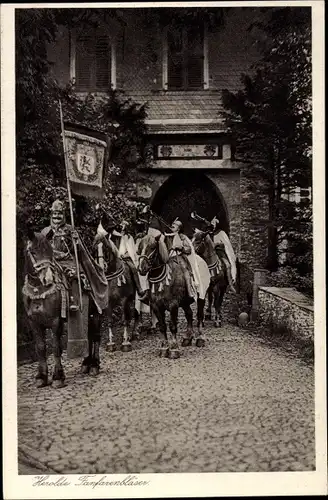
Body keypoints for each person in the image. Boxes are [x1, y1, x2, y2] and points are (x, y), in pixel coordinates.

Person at [41, 199, 108, 314]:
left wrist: (75, 241)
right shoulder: (45, 231)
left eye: (60, 214)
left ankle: (72, 300)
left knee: (72, 275)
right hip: (51, 261)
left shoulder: (70, 229)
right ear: (51, 215)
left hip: (67, 261)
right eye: (55, 214)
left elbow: (77, 250)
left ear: (64, 215)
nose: (57, 216)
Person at [98, 212, 149, 304]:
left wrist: (124, 255)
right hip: (113, 258)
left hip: (125, 258)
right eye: (122, 225)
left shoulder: (128, 237)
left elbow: (131, 250)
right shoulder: (113, 236)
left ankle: (139, 289)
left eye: (124, 226)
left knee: (132, 268)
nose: (122, 227)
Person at [165, 218, 198, 304]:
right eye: (172, 224)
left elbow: (189, 249)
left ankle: (189, 290)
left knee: (185, 270)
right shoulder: (167, 236)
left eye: (175, 225)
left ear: (179, 228)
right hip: (168, 257)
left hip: (179, 257)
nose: (173, 226)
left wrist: (181, 247)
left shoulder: (183, 237)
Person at [210, 216, 237, 293]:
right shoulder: (209, 233)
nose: (212, 225)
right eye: (211, 223)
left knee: (227, 265)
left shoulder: (221, 233)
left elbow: (225, 244)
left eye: (214, 223)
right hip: (211, 253)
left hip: (220, 253)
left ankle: (230, 284)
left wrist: (217, 244)